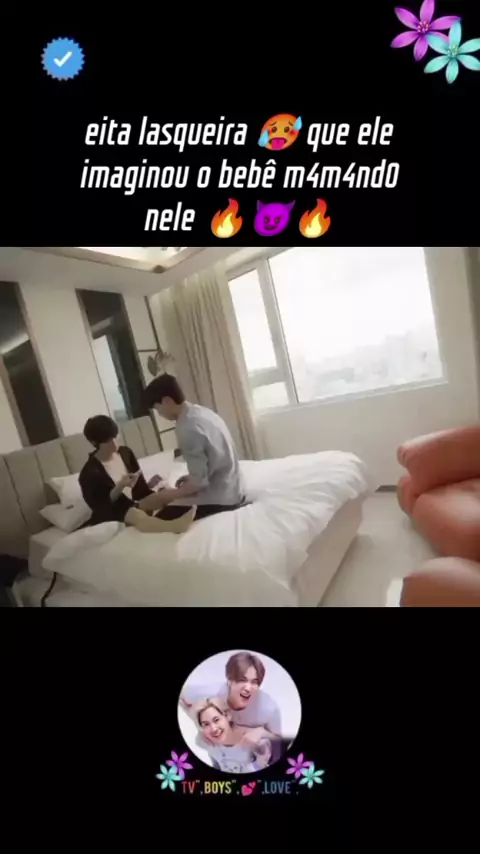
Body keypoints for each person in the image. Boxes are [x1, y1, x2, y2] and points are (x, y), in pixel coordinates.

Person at [144, 374, 247, 520]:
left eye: (157, 409)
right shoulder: (202, 412)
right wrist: (191, 478)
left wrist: (166, 495)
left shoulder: (187, 428)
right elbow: (214, 456)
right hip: (236, 487)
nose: (160, 414)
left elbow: (198, 484)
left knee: (158, 518)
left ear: (167, 401)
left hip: (223, 498)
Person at [79, 415, 196, 534]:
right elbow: (102, 508)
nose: (114, 444)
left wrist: (153, 491)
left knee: (165, 494)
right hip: (116, 513)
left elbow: (141, 489)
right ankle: (172, 527)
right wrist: (120, 486)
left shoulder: (125, 453)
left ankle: (197, 505)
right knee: (134, 514)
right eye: (107, 441)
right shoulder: (89, 473)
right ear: (94, 443)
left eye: (115, 437)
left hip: (135, 504)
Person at [180, 651, 281, 735]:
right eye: (242, 680)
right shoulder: (211, 693)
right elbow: (182, 696)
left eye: (254, 682)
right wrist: (199, 724)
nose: (248, 688)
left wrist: (259, 734)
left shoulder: (269, 709)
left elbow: (279, 744)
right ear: (229, 680)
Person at [192, 697, 278, 774]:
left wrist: (259, 764)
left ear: (227, 716)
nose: (213, 728)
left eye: (216, 720)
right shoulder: (208, 744)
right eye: (206, 724)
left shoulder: (256, 738)